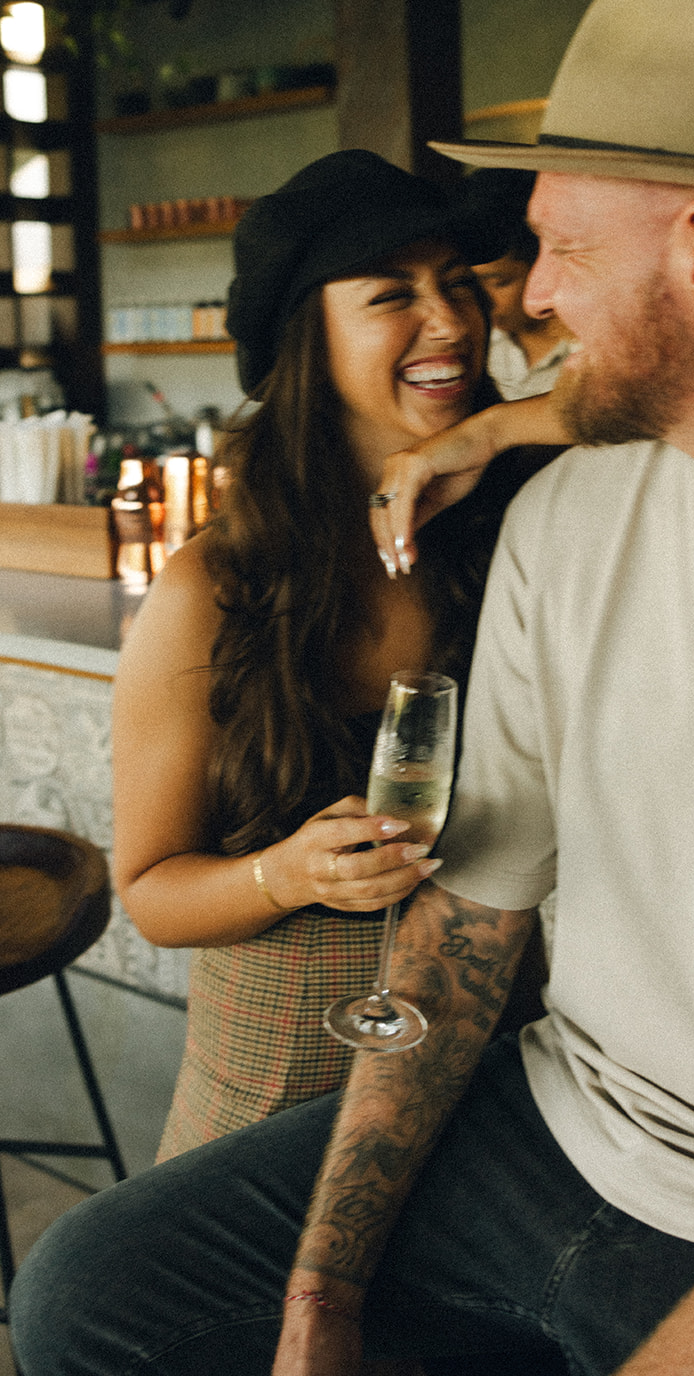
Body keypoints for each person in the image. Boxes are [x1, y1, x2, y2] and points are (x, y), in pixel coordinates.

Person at [11, 0, 694, 1376]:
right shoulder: (569, 518)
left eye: (558, 247)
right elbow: (465, 936)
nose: (532, 295)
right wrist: (319, 1290)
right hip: (559, 1129)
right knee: (95, 1292)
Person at [110, 148, 555, 1159]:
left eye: (458, 284)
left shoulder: (519, 524)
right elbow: (150, 892)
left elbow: (673, 412)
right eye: (393, 293)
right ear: (305, 335)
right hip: (274, 1083)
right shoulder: (207, 592)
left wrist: (492, 435)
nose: (449, 321)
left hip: (487, 1069)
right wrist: (288, 871)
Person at [456, 167, 577, 400]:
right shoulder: (471, 343)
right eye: (464, 283)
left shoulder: (591, 349)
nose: (482, 301)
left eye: (499, 282)